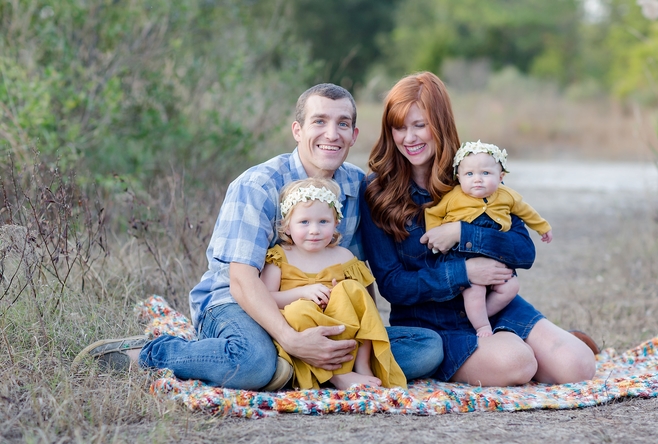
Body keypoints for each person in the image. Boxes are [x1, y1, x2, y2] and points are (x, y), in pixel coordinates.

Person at [73, 83, 443, 391]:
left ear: (354, 135)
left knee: (427, 348)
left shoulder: (355, 185)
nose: (332, 134)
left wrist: (364, 332)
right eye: (319, 121)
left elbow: (356, 274)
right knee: (252, 363)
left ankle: (307, 366)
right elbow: (241, 281)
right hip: (236, 304)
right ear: (297, 130)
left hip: (319, 312)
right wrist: (292, 337)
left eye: (342, 123)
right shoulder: (259, 185)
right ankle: (155, 353)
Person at [359, 71, 596, 387]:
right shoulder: (376, 191)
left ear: (440, 123)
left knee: (579, 367)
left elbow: (524, 252)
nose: (409, 138)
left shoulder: (473, 172)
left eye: (420, 125)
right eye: (400, 127)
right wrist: (465, 273)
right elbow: (392, 285)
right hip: (433, 324)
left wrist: (463, 234)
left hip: (495, 307)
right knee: (517, 363)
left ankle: (544, 346)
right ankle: (521, 352)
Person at [261, 177, 406, 389]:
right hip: (303, 335)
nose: (314, 230)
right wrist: (304, 292)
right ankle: (335, 376)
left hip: (342, 333)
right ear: (287, 227)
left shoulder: (344, 257)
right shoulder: (279, 257)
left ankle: (361, 365)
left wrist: (341, 295)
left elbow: (365, 310)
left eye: (323, 222)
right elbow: (266, 299)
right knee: (298, 311)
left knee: (352, 289)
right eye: (304, 222)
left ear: (336, 223)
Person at [423, 140, 553, 337]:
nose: (477, 179)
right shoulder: (453, 196)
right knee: (474, 291)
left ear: (501, 177)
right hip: (463, 256)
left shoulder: (507, 195)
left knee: (511, 286)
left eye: (485, 173)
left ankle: (481, 315)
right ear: (458, 177)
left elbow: (526, 211)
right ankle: (482, 326)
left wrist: (542, 227)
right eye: (469, 174)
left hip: (496, 255)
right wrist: (434, 235)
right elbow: (433, 212)